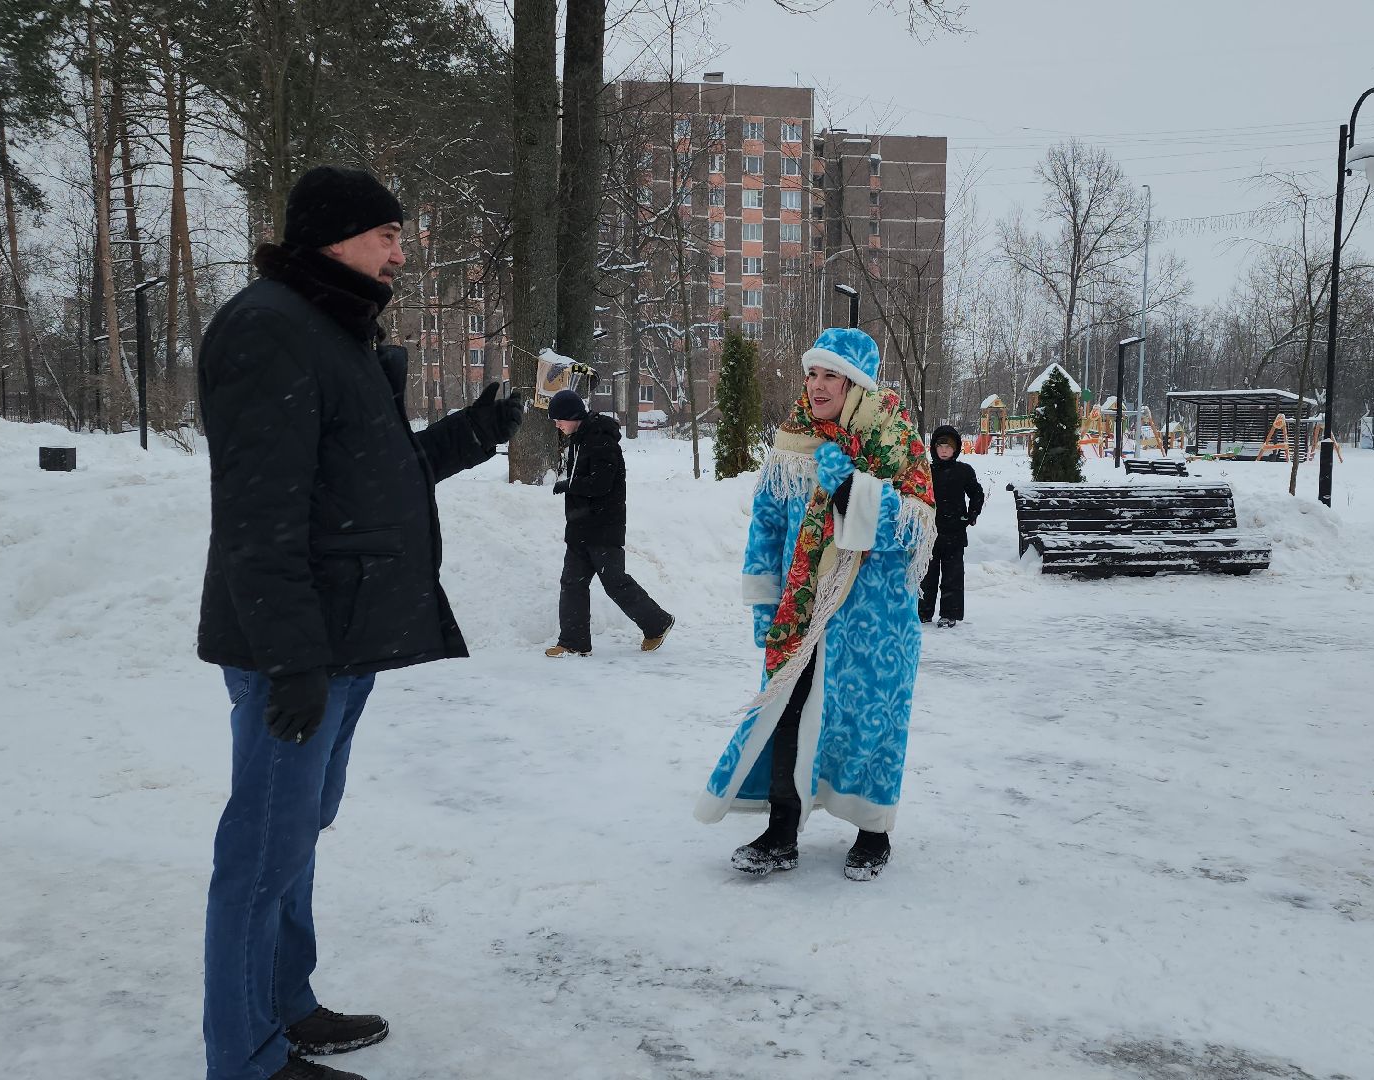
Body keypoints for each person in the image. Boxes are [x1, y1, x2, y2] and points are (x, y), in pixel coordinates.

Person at [196, 164, 524, 1080]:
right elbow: (259, 515)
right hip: (295, 648)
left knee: (294, 838)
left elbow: (374, 474)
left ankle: (284, 1004)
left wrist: (474, 431)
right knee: (260, 852)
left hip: (338, 642)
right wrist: (292, 659)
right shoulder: (269, 330)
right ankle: (245, 1056)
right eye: (387, 235)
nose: (400, 251)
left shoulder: (330, 332)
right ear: (334, 237)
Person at [694, 328, 936, 882]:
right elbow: (767, 523)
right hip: (801, 612)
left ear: (856, 385)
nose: (818, 385)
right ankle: (782, 830)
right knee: (785, 712)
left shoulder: (894, 438)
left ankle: (872, 833)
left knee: (868, 722)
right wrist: (762, 599)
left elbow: (919, 531)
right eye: (813, 373)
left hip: (873, 619)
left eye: (832, 376)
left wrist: (855, 488)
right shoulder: (792, 438)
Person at [545, 389, 674, 657]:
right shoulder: (579, 439)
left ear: (572, 416)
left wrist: (570, 485)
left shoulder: (601, 440)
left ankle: (657, 623)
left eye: (559, 419)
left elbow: (601, 484)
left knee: (615, 582)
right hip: (580, 528)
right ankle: (573, 642)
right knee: (572, 583)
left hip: (604, 527)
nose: (556, 424)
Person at [920, 425, 985, 628]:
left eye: (949, 446)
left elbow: (976, 493)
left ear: (956, 449)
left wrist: (972, 514)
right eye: (941, 446)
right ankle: (922, 612)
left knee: (953, 576)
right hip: (930, 533)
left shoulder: (964, 471)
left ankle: (950, 613)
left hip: (955, 532)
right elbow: (916, 494)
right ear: (934, 448)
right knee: (926, 576)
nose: (945, 450)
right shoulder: (926, 472)